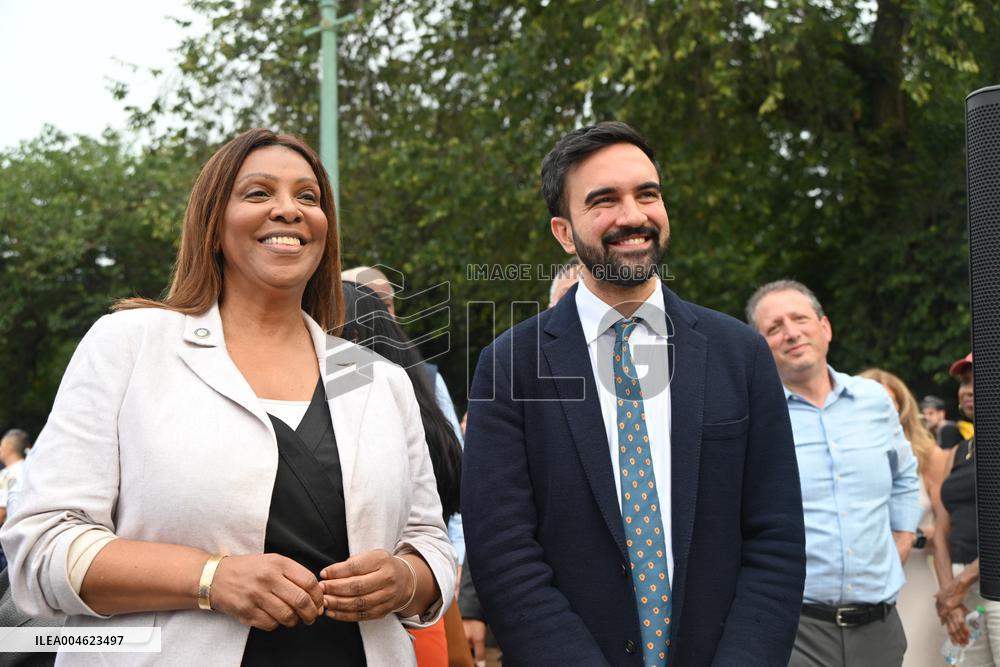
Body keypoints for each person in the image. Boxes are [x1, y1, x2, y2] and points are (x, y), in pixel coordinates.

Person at [0, 129, 455, 666]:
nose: (288, 209)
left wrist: (406, 580)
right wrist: (210, 578)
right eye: (258, 193)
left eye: (307, 197)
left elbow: (429, 539)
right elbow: (41, 547)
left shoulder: (372, 376)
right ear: (213, 225)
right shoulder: (132, 344)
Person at [463, 121, 806, 666]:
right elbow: (502, 550)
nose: (633, 215)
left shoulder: (740, 355)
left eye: (647, 194)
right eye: (604, 200)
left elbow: (777, 537)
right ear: (563, 231)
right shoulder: (509, 366)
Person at [746, 280, 922, 667]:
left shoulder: (874, 400)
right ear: (759, 345)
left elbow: (906, 476)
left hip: (880, 626)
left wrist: (905, 534)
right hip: (795, 630)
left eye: (799, 319)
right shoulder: (754, 414)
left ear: (824, 328)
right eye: (774, 328)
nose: (791, 333)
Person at [340, 280, 467, 667]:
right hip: (428, 603)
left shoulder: (373, 415)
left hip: (389, 616)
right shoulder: (422, 400)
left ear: (353, 337)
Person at [860, 369, 950, 667]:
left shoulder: (929, 456)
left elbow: (947, 529)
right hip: (859, 589)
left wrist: (911, 536)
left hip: (915, 582)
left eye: (889, 403)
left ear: (902, 409)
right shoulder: (837, 458)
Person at [933, 353, 1000, 665]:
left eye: (979, 380)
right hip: (962, 592)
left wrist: (960, 584)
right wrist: (950, 593)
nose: (969, 389)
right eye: (965, 382)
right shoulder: (959, 450)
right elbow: (941, 530)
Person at [0, 429, 29, 570]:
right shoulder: (32, 467)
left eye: (1, 446)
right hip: (30, 537)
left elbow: (1, 512)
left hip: (9, 542)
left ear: (9, 447)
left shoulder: (7, 475)